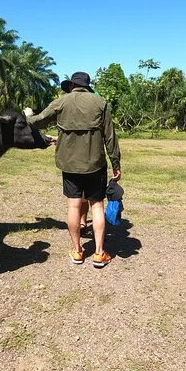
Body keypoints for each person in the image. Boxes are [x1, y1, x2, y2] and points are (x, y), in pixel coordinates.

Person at [25, 71, 121, 268]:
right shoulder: (100, 102)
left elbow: (38, 121)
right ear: (87, 86)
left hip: (69, 165)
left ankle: (77, 251)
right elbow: (110, 137)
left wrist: (28, 116)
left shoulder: (61, 102)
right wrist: (116, 163)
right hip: (95, 165)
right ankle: (99, 253)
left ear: (72, 86)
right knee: (97, 206)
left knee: (73, 207)